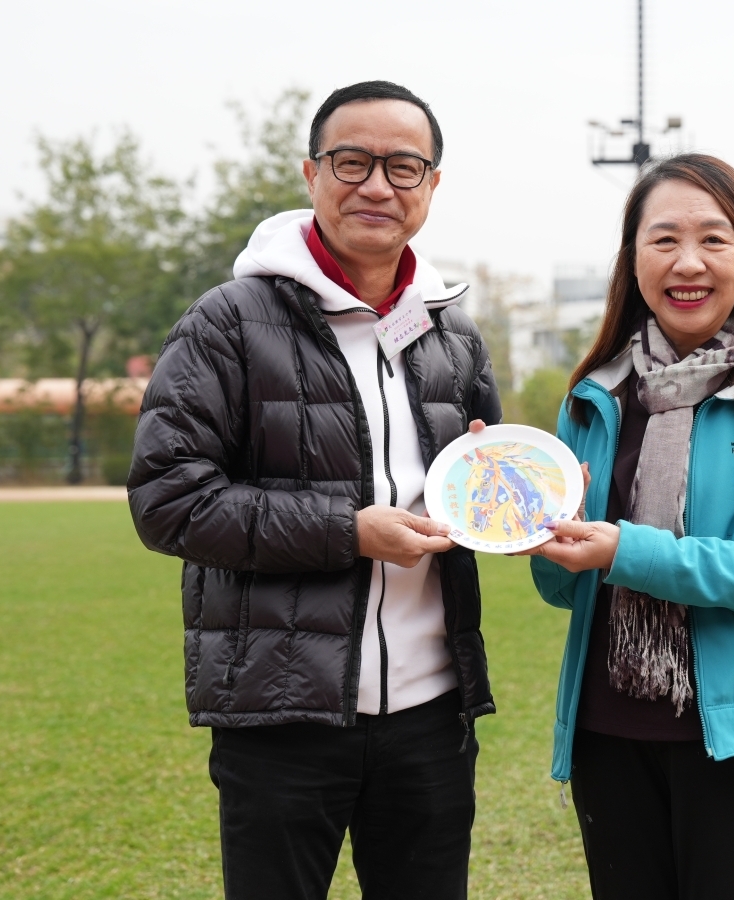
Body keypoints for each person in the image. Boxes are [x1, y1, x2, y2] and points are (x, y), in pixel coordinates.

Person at [128, 81, 503, 900]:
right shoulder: (228, 322)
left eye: (404, 167)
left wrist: (520, 493)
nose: (378, 186)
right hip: (282, 713)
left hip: (432, 716)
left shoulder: (451, 333)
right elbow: (168, 499)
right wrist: (350, 530)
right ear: (312, 174)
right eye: (352, 162)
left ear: (432, 184)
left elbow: (478, 494)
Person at [526, 154, 734, 900]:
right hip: (609, 736)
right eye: (664, 239)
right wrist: (522, 515)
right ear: (633, 259)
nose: (689, 263)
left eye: (713, 239)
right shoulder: (593, 398)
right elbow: (563, 587)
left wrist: (625, 550)